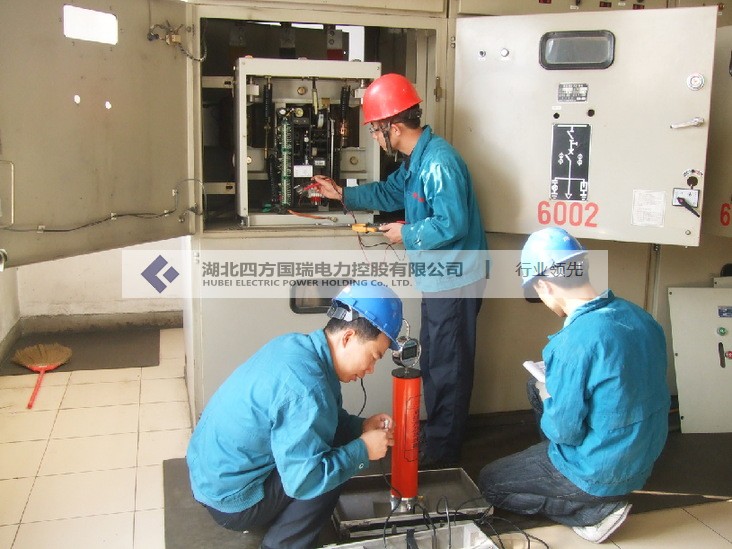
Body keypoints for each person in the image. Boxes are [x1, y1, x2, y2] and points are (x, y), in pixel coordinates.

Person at [312, 73, 488, 467]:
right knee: (438, 359)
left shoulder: (439, 162)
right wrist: (342, 193)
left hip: (456, 278)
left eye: (375, 130)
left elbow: (452, 223)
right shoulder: (416, 161)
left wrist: (405, 233)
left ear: (393, 127)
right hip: (440, 277)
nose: (375, 137)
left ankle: (443, 454)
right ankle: (438, 435)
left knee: (449, 365)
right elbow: (390, 192)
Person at [478, 227, 670, 544]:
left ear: (543, 284)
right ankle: (568, 478)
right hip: (641, 458)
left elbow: (565, 431)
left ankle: (591, 511)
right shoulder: (640, 317)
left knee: (491, 482)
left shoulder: (573, 342)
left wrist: (550, 397)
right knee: (534, 386)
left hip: (599, 471)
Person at [186, 281, 402, 549]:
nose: (371, 369)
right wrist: (362, 450)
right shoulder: (307, 387)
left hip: (209, 475)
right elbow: (305, 480)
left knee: (332, 445)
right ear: (347, 337)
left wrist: (361, 427)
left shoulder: (298, 347)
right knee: (330, 469)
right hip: (230, 501)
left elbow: (323, 419)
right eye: (374, 356)